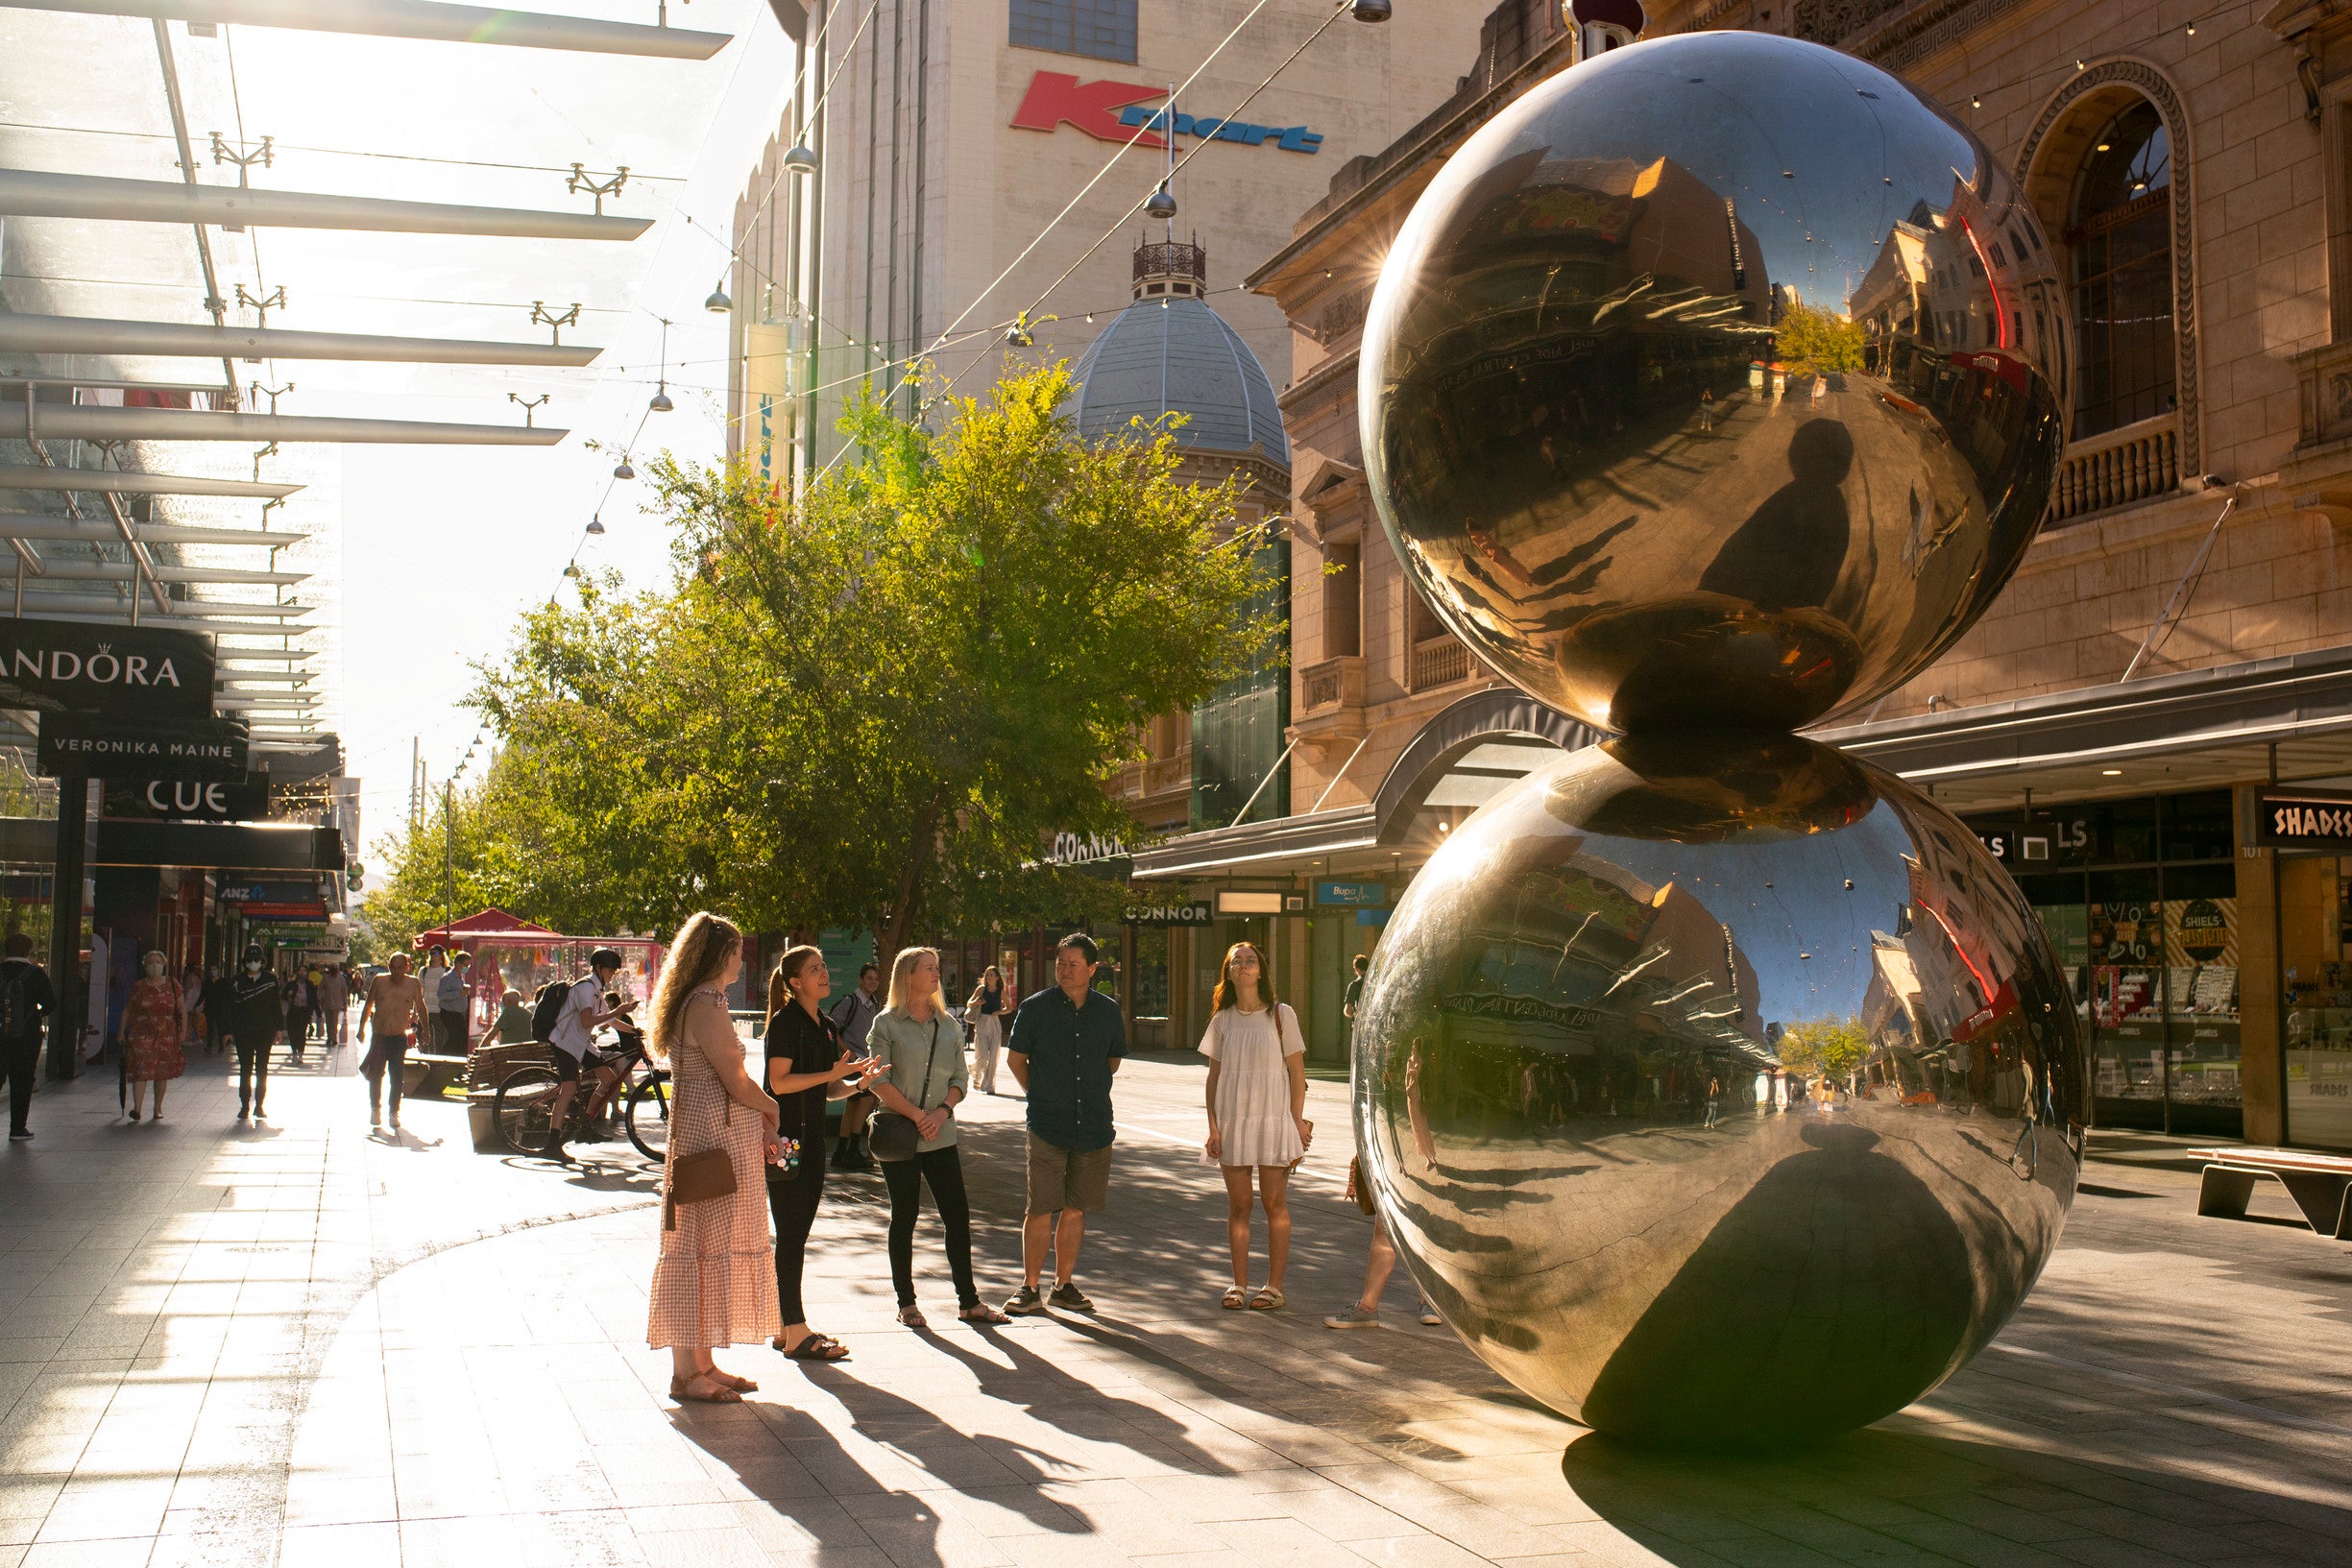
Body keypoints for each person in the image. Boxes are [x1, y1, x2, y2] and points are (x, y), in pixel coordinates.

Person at [645, 910, 784, 1404]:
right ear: (718, 955)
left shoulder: (702, 1001)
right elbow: (737, 1080)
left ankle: (700, 1363)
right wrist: (772, 1108)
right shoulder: (705, 1004)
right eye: (737, 949)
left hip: (711, 1138)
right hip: (712, 1143)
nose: (742, 958)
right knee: (699, 1245)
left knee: (706, 1243)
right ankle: (687, 1373)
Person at [868, 947, 1006, 1329]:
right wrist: (916, 1116)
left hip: (941, 1135)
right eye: (928, 968)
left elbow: (961, 1078)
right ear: (907, 975)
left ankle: (969, 1302)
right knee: (905, 1216)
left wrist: (941, 1112)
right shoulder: (886, 1024)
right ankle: (907, 1302)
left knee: (957, 1216)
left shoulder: (949, 1024)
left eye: (936, 968)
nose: (936, 974)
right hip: (901, 1135)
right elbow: (877, 1080)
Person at [764, 945, 877, 1362]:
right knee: (791, 1235)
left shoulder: (826, 1026)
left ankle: (784, 1324)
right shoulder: (785, 1022)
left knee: (797, 1234)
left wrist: (859, 1084)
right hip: (784, 1141)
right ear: (795, 983)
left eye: (824, 966)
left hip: (811, 1144)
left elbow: (828, 1089)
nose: (824, 973)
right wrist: (833, 1073)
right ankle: (794, 1329)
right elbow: (779, 1082)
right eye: (815, 969)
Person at [1004, 932, 1125, 1315]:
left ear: (1092, 969)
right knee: (1039, 1206)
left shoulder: (1107, 1011)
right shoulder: (1035, 1008)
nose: (1065, 970)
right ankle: (1029, 1286)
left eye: (1074, 964)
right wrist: (1038, 1093)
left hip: (1092, 1123)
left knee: (1076, 1207)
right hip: (1047, 1124)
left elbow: (1112, 1061)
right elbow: (1015, 1059)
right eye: (1060, 963)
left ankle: (1064, 1283)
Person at [1200, 942, 1312, 1311]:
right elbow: (1213, 1079)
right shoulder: (1222, 1020)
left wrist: (1296, 1122)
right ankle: (1238, 1285)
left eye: (1250, 961)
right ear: (1229, 972)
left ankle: (1274, 1286)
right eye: (1237, 962)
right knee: (1240, 1206)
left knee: (1275, 1204)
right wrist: (1213, 1127)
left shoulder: (1282, 1015)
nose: (1244, 967)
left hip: (1273, 1120)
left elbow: (1297, 1073)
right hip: (1233, 1121)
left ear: (1261, 970)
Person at [1323, 1156, 1443, 1330]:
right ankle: (1368, 1307)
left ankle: (1430, 1299)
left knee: (1428, 1224)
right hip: (1394, 1153)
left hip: (1428, 1152)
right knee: (1385, 1226)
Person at [543, 950, 633, 1164]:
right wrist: (616, 1010)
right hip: (566, 1043)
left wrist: (636, 1032)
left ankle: (585, 1126)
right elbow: (586, 1021)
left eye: (614, 971)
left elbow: (608, 1022)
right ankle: (552, 1143)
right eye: (610, 970)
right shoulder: (585, 988)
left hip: (581, 1044)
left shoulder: (595, 989)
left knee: (610, 1079)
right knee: (569, 1088)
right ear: (599, 969)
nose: (612, 974)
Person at [355, 953, 430, 1131]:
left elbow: (421, 1007)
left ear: (407, 967)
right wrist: (361, 1029)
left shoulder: (413, 983)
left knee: (397, 1076)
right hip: (380, 1034)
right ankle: (375, 1108)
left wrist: (426, 1030)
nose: (396, 972)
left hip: (398, 1036)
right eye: (393, 967)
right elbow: (369, 1005)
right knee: (375, 1074)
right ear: (388, 966)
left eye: (400, 968)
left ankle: (394, 1112)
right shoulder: (379, 981)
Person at [0, 932, 57, 1142]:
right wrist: (36, 1010)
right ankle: (17, 1128)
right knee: (22, 1080)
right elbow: (50, 1003)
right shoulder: (36, 974)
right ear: (28, 951)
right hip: (26, 1037)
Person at [828, 962, 885, 1170]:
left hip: (864, 1062)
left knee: (853, 1104)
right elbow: (832, 1028)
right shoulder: (850, 1002)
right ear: (860, 980)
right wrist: (847, 1053)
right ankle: (851, 1148)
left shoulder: (874, 1004)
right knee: (866, 1099)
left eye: (876, 979)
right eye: (869, 978)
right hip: (851, 1062)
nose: (873, 982)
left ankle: (843, 1151)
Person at [219, 946, 284, 1122]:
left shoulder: (271, 980)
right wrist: (228, 1032)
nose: (253, 963)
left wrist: (279, 1029)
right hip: (243, 1032)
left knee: (262, 1069)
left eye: (257, 959)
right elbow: (229, 1009)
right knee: (245, 1069)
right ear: (244, 962)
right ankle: (244, 1105)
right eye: (250, 960)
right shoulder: (236, 982)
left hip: (265, 1032)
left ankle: (260, 1105)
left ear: (262, 961)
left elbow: (275, 1006)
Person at [121, 951, 187, 1122]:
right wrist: (121, 1031)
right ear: (145, 966)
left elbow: (181, 1009)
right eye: (150, 962)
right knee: (140, 1071)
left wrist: (183, 1031)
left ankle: (157, 1108)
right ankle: (137, 1108)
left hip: (166, 1036)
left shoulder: (173, 984)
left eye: (158, 962)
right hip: (141, 1036)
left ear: (163, 964)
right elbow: (128, 1009)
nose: (154, 965)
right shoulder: (139, 986)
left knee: (161, 1073)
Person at [964, 965, 1006, 1095]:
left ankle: (990, 1086)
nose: (989, 977)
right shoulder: (981, 989)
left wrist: (999, 1012)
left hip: (994, 1023)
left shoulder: (1001, 991)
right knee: (982, 1056)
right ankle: (975, 1072)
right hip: (981, 1022)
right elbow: (969, 1003)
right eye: (987, 975)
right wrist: (976, 1002)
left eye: (992, 974)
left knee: (994, 1056)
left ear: (997, 977)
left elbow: (1009, 1007)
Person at [438, 951, 473, 1051]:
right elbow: (441, 995)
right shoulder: (448, 978)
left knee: (460, 1039)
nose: (467, 968)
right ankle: (442, 1058)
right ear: (458, 964)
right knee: (456, 1038)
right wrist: (459, 993)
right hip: (449, 1013)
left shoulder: (460, 978)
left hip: (458, 1014)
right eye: (466, 965)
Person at [282, 968, 315, 1065]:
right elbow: (282, 995)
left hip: (304, 1012)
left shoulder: (310, 985)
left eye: (304, 971)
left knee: (301, 1032)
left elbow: (313, 999)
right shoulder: (291, 984)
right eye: (300, 970)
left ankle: (300, 1053)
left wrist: (317, 1013)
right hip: (293, 1011)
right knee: (292, 1032)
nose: (302, 972)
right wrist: (288, 995)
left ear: (307, 973)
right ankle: (294, 1050)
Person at [200, 963, 229, 1055]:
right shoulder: (207, 983)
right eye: (211, 969)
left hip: (221, 1008)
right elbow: (203, 994)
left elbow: (228, 994)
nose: (213, 971)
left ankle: (221, 1046)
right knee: (210, 1028)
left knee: (221, 1028)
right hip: (210, 1008)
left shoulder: (223, 982)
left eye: (214, 969)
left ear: (218, 970)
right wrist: (197, 1004)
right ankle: (209, 1046)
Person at [323, 962, 350, 1051]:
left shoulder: (341, 979)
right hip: (327, 1003)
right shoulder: (326, 978)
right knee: (328, 1022)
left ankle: (333, 1038)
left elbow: (344, 991)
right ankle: (329, 1037)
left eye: (336, 968)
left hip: (337, 1004)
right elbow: (320, 988)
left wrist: (345, 1003)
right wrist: (320, 998)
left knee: (334, 1022)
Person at [1342, 953, 1370, 1023]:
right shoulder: (1375, 982)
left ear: (1356, 968)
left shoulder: (1354, 985)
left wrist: (1355, 1015)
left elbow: (1348, 1010)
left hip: (1361, 1024)